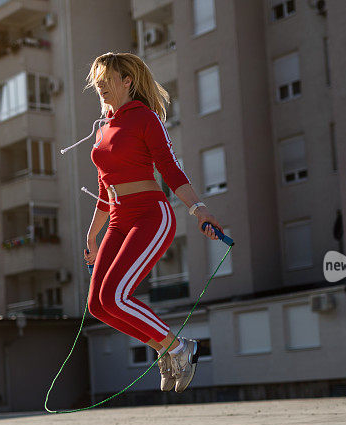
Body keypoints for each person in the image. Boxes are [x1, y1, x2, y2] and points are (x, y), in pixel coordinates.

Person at [61, 52, 224, 394]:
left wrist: (199, 208)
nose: (100, 86)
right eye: (97, 81)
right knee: (99, 305)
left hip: (151, 215)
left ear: (127, 81)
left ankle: (179, 348)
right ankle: (168, 348)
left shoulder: (146, 118)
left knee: (117, 296)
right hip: (118, 219)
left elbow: (169, 167)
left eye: (107, 79)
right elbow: (106, 189)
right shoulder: (104, 128)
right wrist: (92, 236)